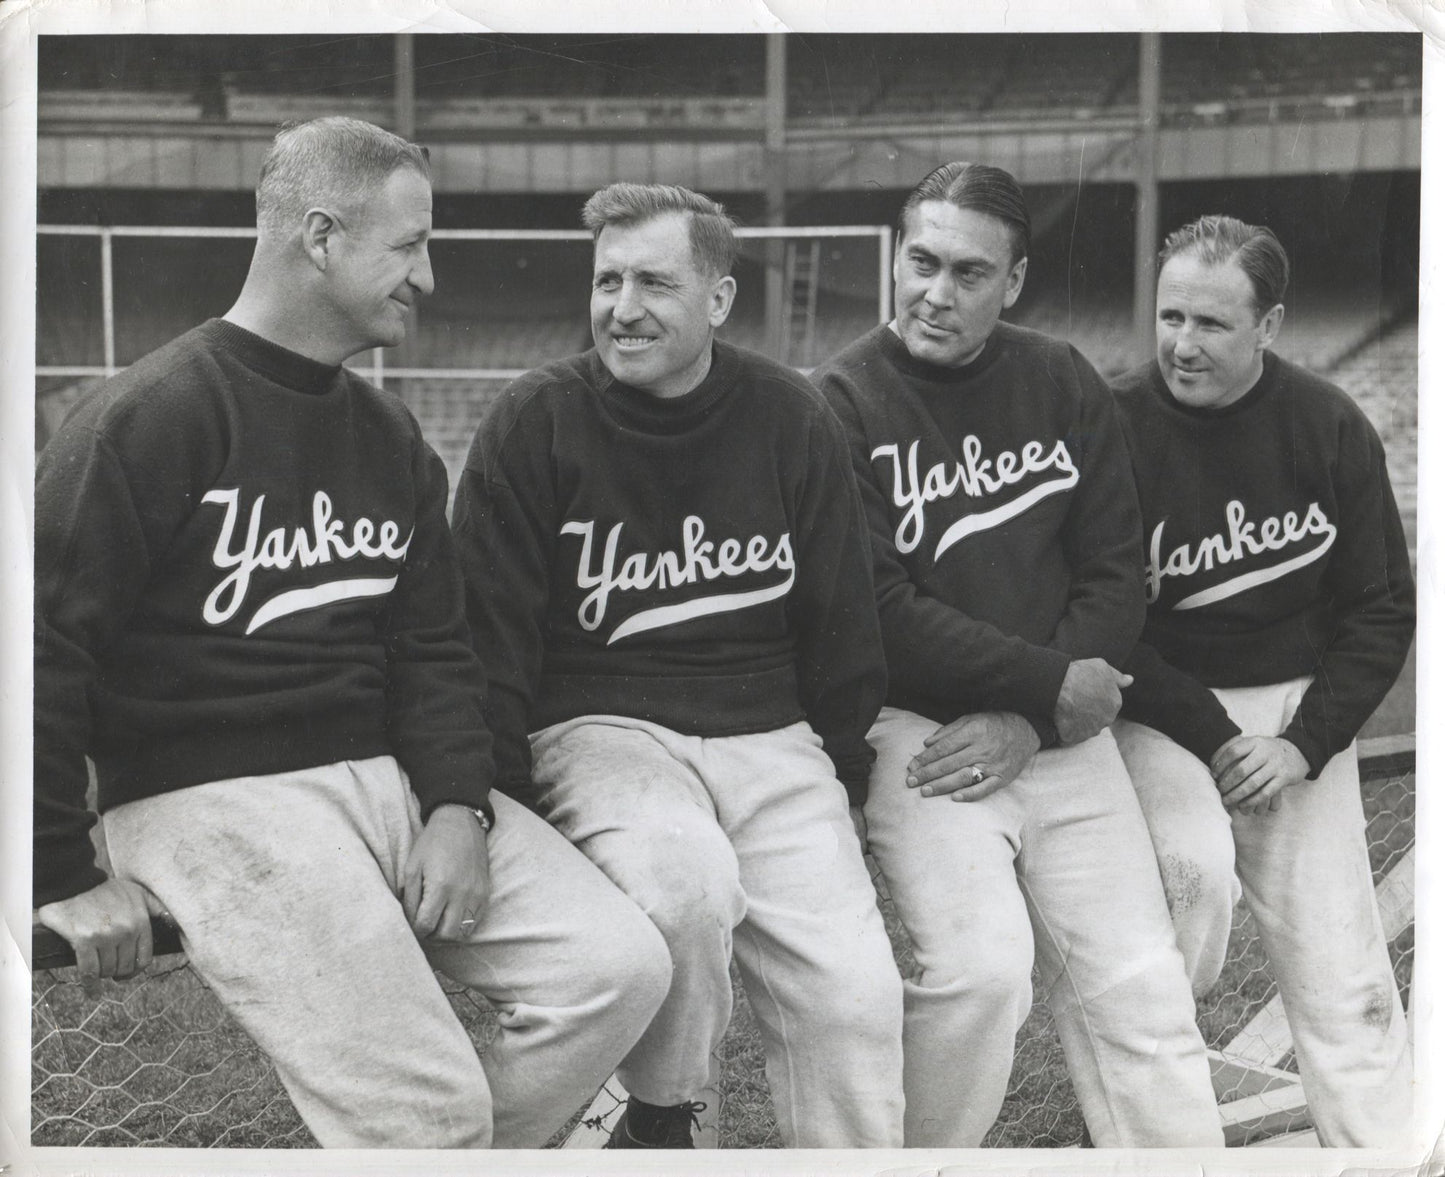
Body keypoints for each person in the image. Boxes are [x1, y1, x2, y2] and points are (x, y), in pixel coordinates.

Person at [32, 117, 671, 1150]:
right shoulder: (146, 417)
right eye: (408, 244)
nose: (426, 277)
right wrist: (54, 867)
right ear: (320, 236)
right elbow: (40, 652)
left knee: (619, 969)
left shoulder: (388, 438)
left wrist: (459, 804)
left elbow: (432, 650)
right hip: (210, 795)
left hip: (380, 776)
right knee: (428, 1111)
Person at [451, 182, 905, 1150]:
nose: (622, 307)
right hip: (601, 726)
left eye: (653, 281)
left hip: (773, 737)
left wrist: (845, 778)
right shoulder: (535, 419)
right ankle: (665, 1109)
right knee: (682, 887)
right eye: (606, 279)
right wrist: (497, 790)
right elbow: (483, 634)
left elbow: (840, 623)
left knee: (855, 997)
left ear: (718, 300)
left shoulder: (790, 414)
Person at [811, 161, 1223, 1148]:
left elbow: (1115, 575)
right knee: (979, 973)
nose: (934, 292)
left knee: (1142, 987)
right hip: (920, 730)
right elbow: (876, 609)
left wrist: (1032, 713)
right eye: (920, 261)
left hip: (1057, 730)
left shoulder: (1057, 376)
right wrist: (1040, 686)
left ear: (1013, 282)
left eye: (966, 272)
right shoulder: (838, 399)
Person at [1110, 214, 1414, 1147]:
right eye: (1169, 317)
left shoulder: (1325, 423)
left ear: (1269, 326)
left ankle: (1380, 1155)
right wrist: (1211, 732)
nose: (1181, 344)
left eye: (1210, 323)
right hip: (1162, 711)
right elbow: (1104, 619)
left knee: (1344, 977)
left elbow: (1379, 609)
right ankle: (1162, 1103)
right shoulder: (1114, 426)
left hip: (1294, 716)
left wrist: (1302, 741)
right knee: (1184, 883)